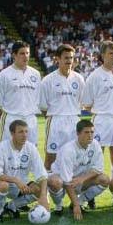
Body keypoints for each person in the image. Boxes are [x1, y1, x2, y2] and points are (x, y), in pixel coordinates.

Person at [0, 120, 49, 222]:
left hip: (20, 185)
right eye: (21, 132)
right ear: (12, 133)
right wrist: (16, 180)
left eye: (26, 131)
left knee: (40, 189)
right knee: (3, 186)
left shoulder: (31, 148)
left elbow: (42, 175)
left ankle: (11, 207)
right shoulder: (1, 147)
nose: (24, 135)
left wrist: (44, 196)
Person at [47, 120, 109, 220]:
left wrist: (82, 179)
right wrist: (76, 205)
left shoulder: (95, 144)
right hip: (62, 182)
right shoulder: (68, 150)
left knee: (104, 179)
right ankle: (59, 205)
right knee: (54, 181)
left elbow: (98, 169)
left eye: (92, 132)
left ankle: (81, 202)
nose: (90, 135)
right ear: (78, 133)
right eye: (86, 132)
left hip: (80, 180)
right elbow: (67, 181)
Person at [39, 44, 85, 173]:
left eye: (71, 57)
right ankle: (46, 190)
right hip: (56, 121)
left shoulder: (79, 79)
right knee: (51, 157)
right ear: (57, 59)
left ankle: (74, 188)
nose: (69, 61)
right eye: (66, 58)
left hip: (74, 121)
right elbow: (43, 106)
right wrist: (53, 118)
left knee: (75, 156)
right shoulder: (48, 80)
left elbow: (82, 101)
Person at [82, 40, 113, 165]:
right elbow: (86, 104)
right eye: (110, 53)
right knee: (96, 155)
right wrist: (102, 111)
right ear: (103, 55)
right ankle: (94, 183)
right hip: (102, 120)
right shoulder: (94, 76)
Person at [0, 40, 41, 145]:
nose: (25, 56)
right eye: (22, 53)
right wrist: (4, 125)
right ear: (14, 55)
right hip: (11, 120)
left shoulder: (35, 74)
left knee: (31, 154)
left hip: (31, 120)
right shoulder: (4, 75)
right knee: (10, 155)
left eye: (27, 53)